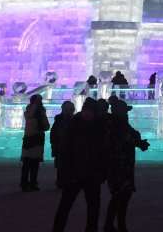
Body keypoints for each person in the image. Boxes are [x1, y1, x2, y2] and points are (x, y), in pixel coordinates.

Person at [53, 97, 108, 232]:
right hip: (75, 173)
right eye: (85, 110)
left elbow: (103, 151)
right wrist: (65, 170)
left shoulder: (99, 127)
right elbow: (65, 150)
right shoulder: (75, 125)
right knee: (65, 205)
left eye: (90, 111)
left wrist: (102, 171)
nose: (87, 113)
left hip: (92, 173)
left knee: (92, 207)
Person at [104, 96, 149, 232]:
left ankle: (115, 225)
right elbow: (125, 139)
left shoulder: (120, 123)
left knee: (122, 196)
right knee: (120, 196)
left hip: (124, 165)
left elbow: (132, 136)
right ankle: (114, 225)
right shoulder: (116, 125)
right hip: (119, 166)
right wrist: (138, 142)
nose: (127, 113)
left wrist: (139, 142)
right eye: (125, 111)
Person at [21, 93, 50, 191]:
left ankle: (24, 183)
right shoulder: (40, 112)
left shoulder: (27, 111)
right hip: (37, 139)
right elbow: (46, 126)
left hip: (27, 138)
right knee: (34, 164)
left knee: (26, 163)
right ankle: (33, 183)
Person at [50, 101, 75, 188]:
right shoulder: (72, 120)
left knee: (63, 166)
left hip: (63, 145)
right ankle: (64, 181)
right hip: (63, 146)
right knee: (64, 165)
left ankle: (62, 181)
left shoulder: (59, 120)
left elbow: (53, 134)